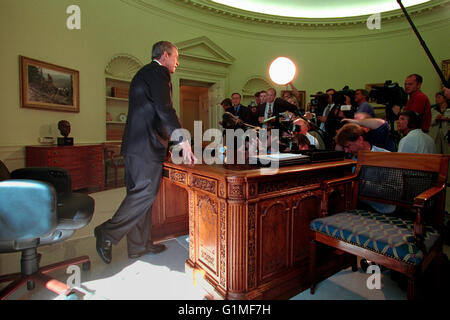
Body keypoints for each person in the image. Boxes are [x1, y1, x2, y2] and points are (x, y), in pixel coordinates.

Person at [94, 41, 196, 264]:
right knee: (144, 194)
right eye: (176, 57)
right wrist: (183, 140)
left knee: (141, 195)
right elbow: (165, 109)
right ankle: (107, 233)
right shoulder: (158, 72)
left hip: (136, 146)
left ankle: (138, 246)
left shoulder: (144, 73)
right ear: (165, 55)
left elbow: (154, 112)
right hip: (144, 147)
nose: (177, 62)